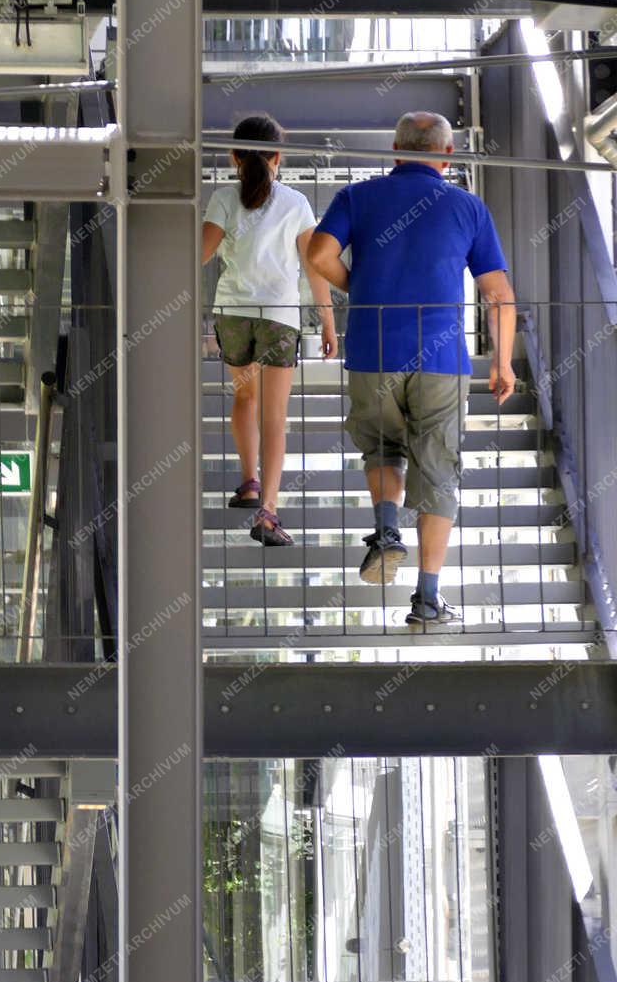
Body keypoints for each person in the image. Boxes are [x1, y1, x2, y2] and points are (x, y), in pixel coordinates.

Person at [307, 110, 517, 630]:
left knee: (381, 447)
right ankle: (426, 600)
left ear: (395, 150)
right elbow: (498, 294)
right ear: (447, 155)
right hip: (441, 359)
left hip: (371, 350)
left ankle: (385, 532)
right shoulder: (468, 207)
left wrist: (355, 286)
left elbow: (317, 252)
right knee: (437, 470)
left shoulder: (358, 197)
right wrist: (505, 362)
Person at [202, 112, 337, 546]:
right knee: (274, 417)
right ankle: (268, 514)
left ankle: (248, 481)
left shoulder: (223, 198)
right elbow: (315, 267)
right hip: (279, 318)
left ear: (233, 156)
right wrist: (327, 321)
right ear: (278, 156)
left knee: (245, 395)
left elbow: (197, 256)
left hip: (234, 316)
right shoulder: (295, 203)